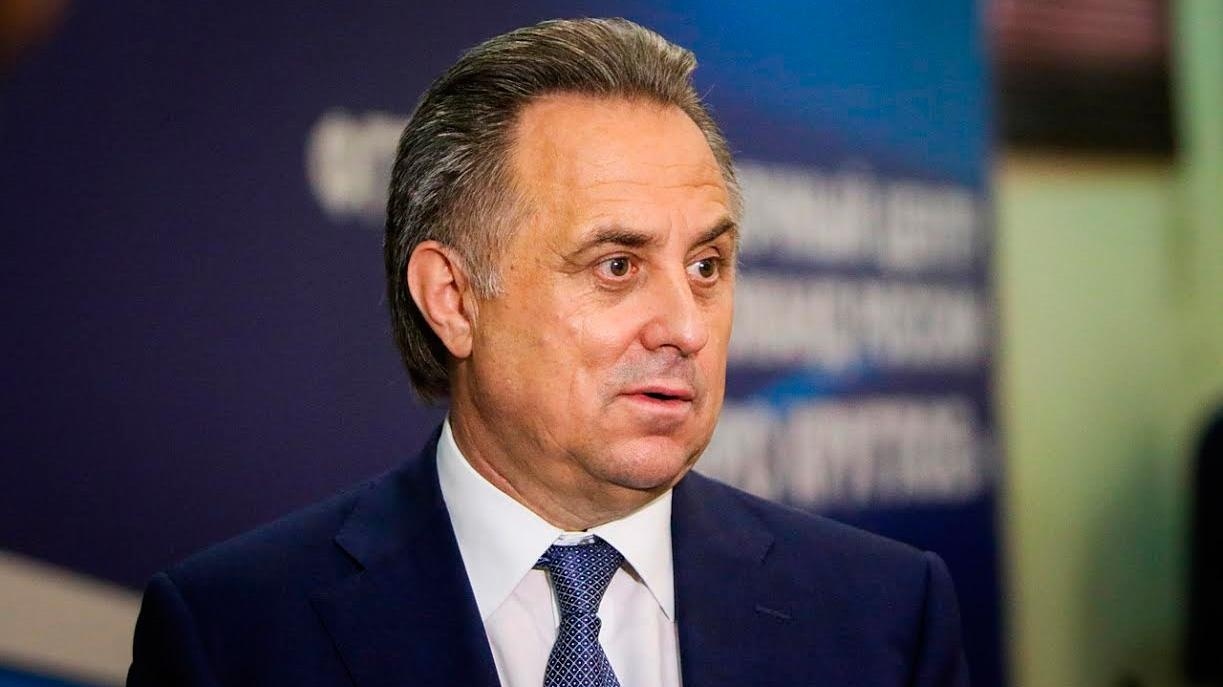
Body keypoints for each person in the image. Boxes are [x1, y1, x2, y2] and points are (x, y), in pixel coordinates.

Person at [128, 18, 969, 687]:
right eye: (616, 265)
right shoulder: (232, 635)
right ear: (454, 298)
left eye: (706, 265)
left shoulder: (886, 615)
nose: (685, 327)